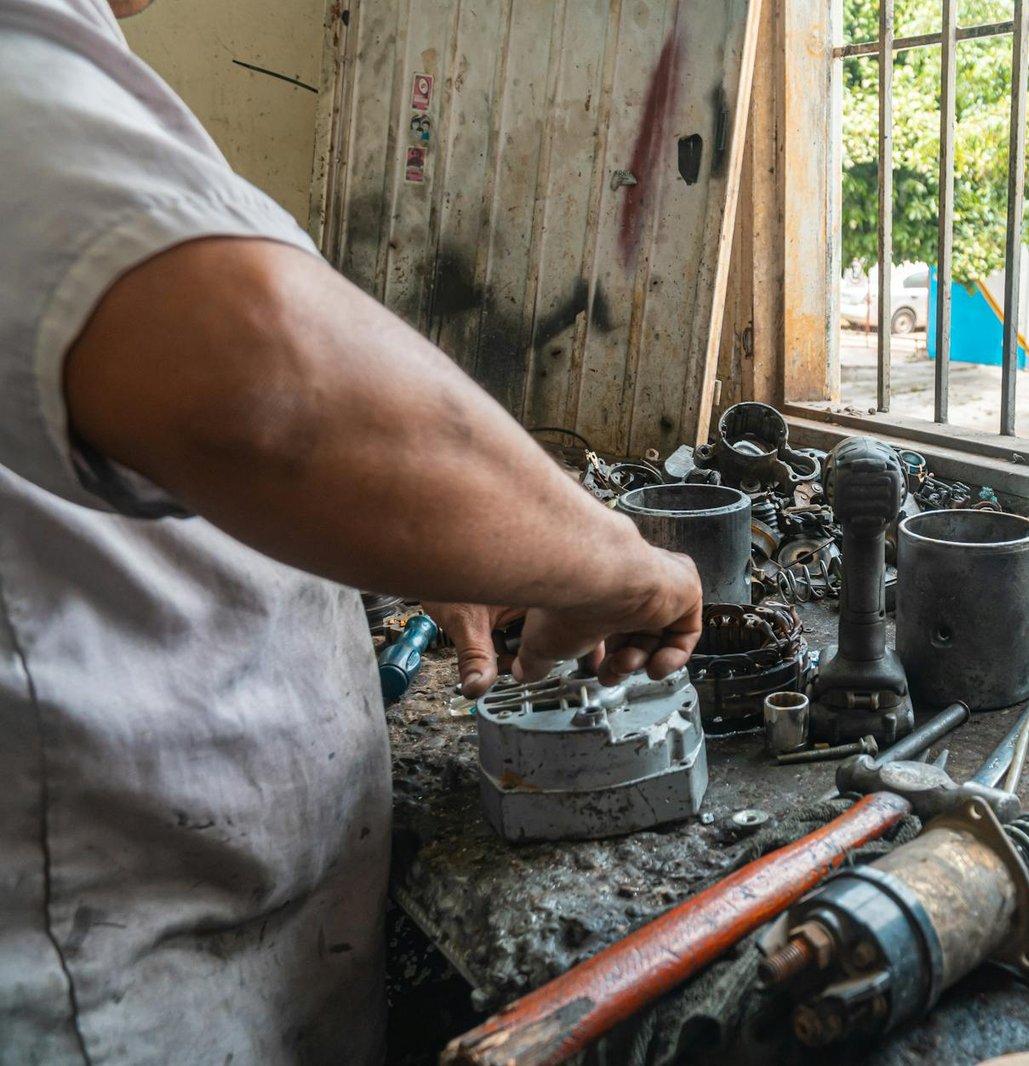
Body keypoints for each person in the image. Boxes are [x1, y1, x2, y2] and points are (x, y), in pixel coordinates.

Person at [0, 1, 703, 1063]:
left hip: (210, 946)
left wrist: (406, 544)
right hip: (106, 990)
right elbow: (264, 383)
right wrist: (623, 564)